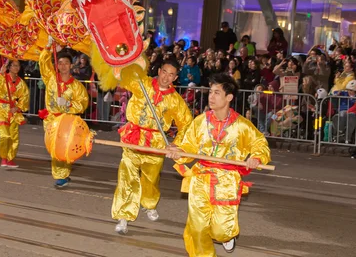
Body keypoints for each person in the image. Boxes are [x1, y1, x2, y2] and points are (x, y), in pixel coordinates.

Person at [166, 73, 271, 256]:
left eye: (216, 93)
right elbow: (187, 145)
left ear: (229, 97)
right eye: (210, 92)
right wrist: (177, 150)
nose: (211, 97)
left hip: (227, 182)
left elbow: (260, 144)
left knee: (222, 231)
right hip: (200, 178)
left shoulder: (242, 125)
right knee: (197, 229)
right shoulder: (200, 121)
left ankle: (227, 237)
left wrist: (256, 158)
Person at [112, 58, 193, 235]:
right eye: (164, 71)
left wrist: (175, 145)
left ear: (175, 77)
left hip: (156, 144)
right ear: (159, 71)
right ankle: (123, 216)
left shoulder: (175, 101)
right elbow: (121, 76)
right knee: (127, 177)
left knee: (151, 179)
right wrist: (120, 61)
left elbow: (187, 124)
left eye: (171, 74)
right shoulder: (142, 83)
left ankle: (148, 204)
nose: (166, 77)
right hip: (133, 138)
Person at [38, 40, 89, 188]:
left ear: (71, 65)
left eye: (66, 63)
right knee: (55, 148)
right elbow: (43, 61)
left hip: (66, 122)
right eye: (60, 63)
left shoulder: (77, 86)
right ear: (57, 65)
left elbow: (83, 103)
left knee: (65, 148)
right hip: (51, 120)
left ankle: (63, 174)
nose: (63, 66)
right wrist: (48, 46)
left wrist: (68, 104)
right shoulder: (51, 79)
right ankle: (61, 176)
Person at [0, 59, 29, 169]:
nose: (16, 68)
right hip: (0, 109)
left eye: (18, 66)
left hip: (13, 111)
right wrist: (0, 74)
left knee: (13, 137)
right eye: (14, 65)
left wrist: (17, 107)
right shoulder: (2, 77)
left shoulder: (21, 83)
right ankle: (3, 158)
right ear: (9, 67)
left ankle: (10, 159)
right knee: (5, 136)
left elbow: (24, 97)